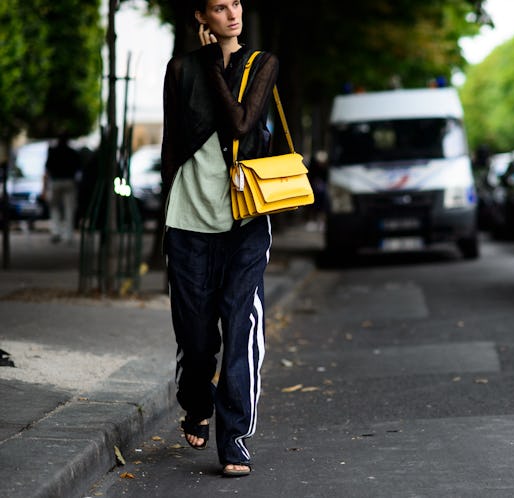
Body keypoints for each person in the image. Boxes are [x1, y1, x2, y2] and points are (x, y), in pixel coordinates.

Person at [160, 0, 279, 477]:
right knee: (194, 336)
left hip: (245, 220)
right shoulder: (178, 70)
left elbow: (241, 124)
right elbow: (173, 141)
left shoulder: (262, 64)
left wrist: (215, 67)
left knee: (241, 325)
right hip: (188, 219)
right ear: (200, 17)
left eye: (236, 4)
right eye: (219, 7)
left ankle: (233, 437)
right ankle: (196, 403)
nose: (232, 14)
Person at [44, 137, 81, 243]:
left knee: (55, 208)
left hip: (56, 181)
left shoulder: (53, 152)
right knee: (69, 208)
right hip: (69, 181)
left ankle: (56, 231)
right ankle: (68, 235)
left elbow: (48, 168)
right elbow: (78, 168)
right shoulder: (72, 153)